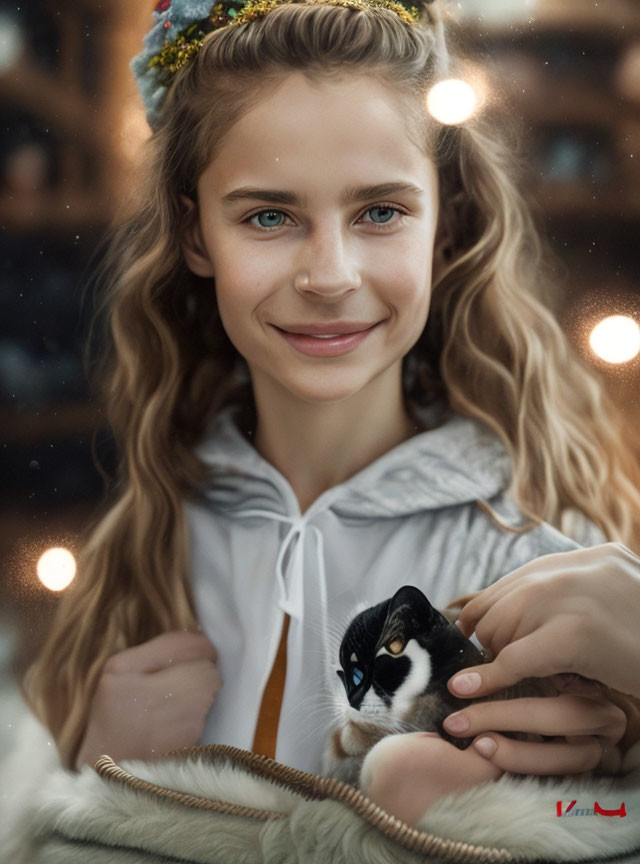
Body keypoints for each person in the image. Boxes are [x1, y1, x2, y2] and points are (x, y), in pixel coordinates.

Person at [22, 0, 640, 831]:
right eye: (268, 216)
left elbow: (597, 821)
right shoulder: (144, 545)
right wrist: (99, 779)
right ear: (194, 231)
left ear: (445, 226)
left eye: (380, 212)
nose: (329, 274)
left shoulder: (531, 559)